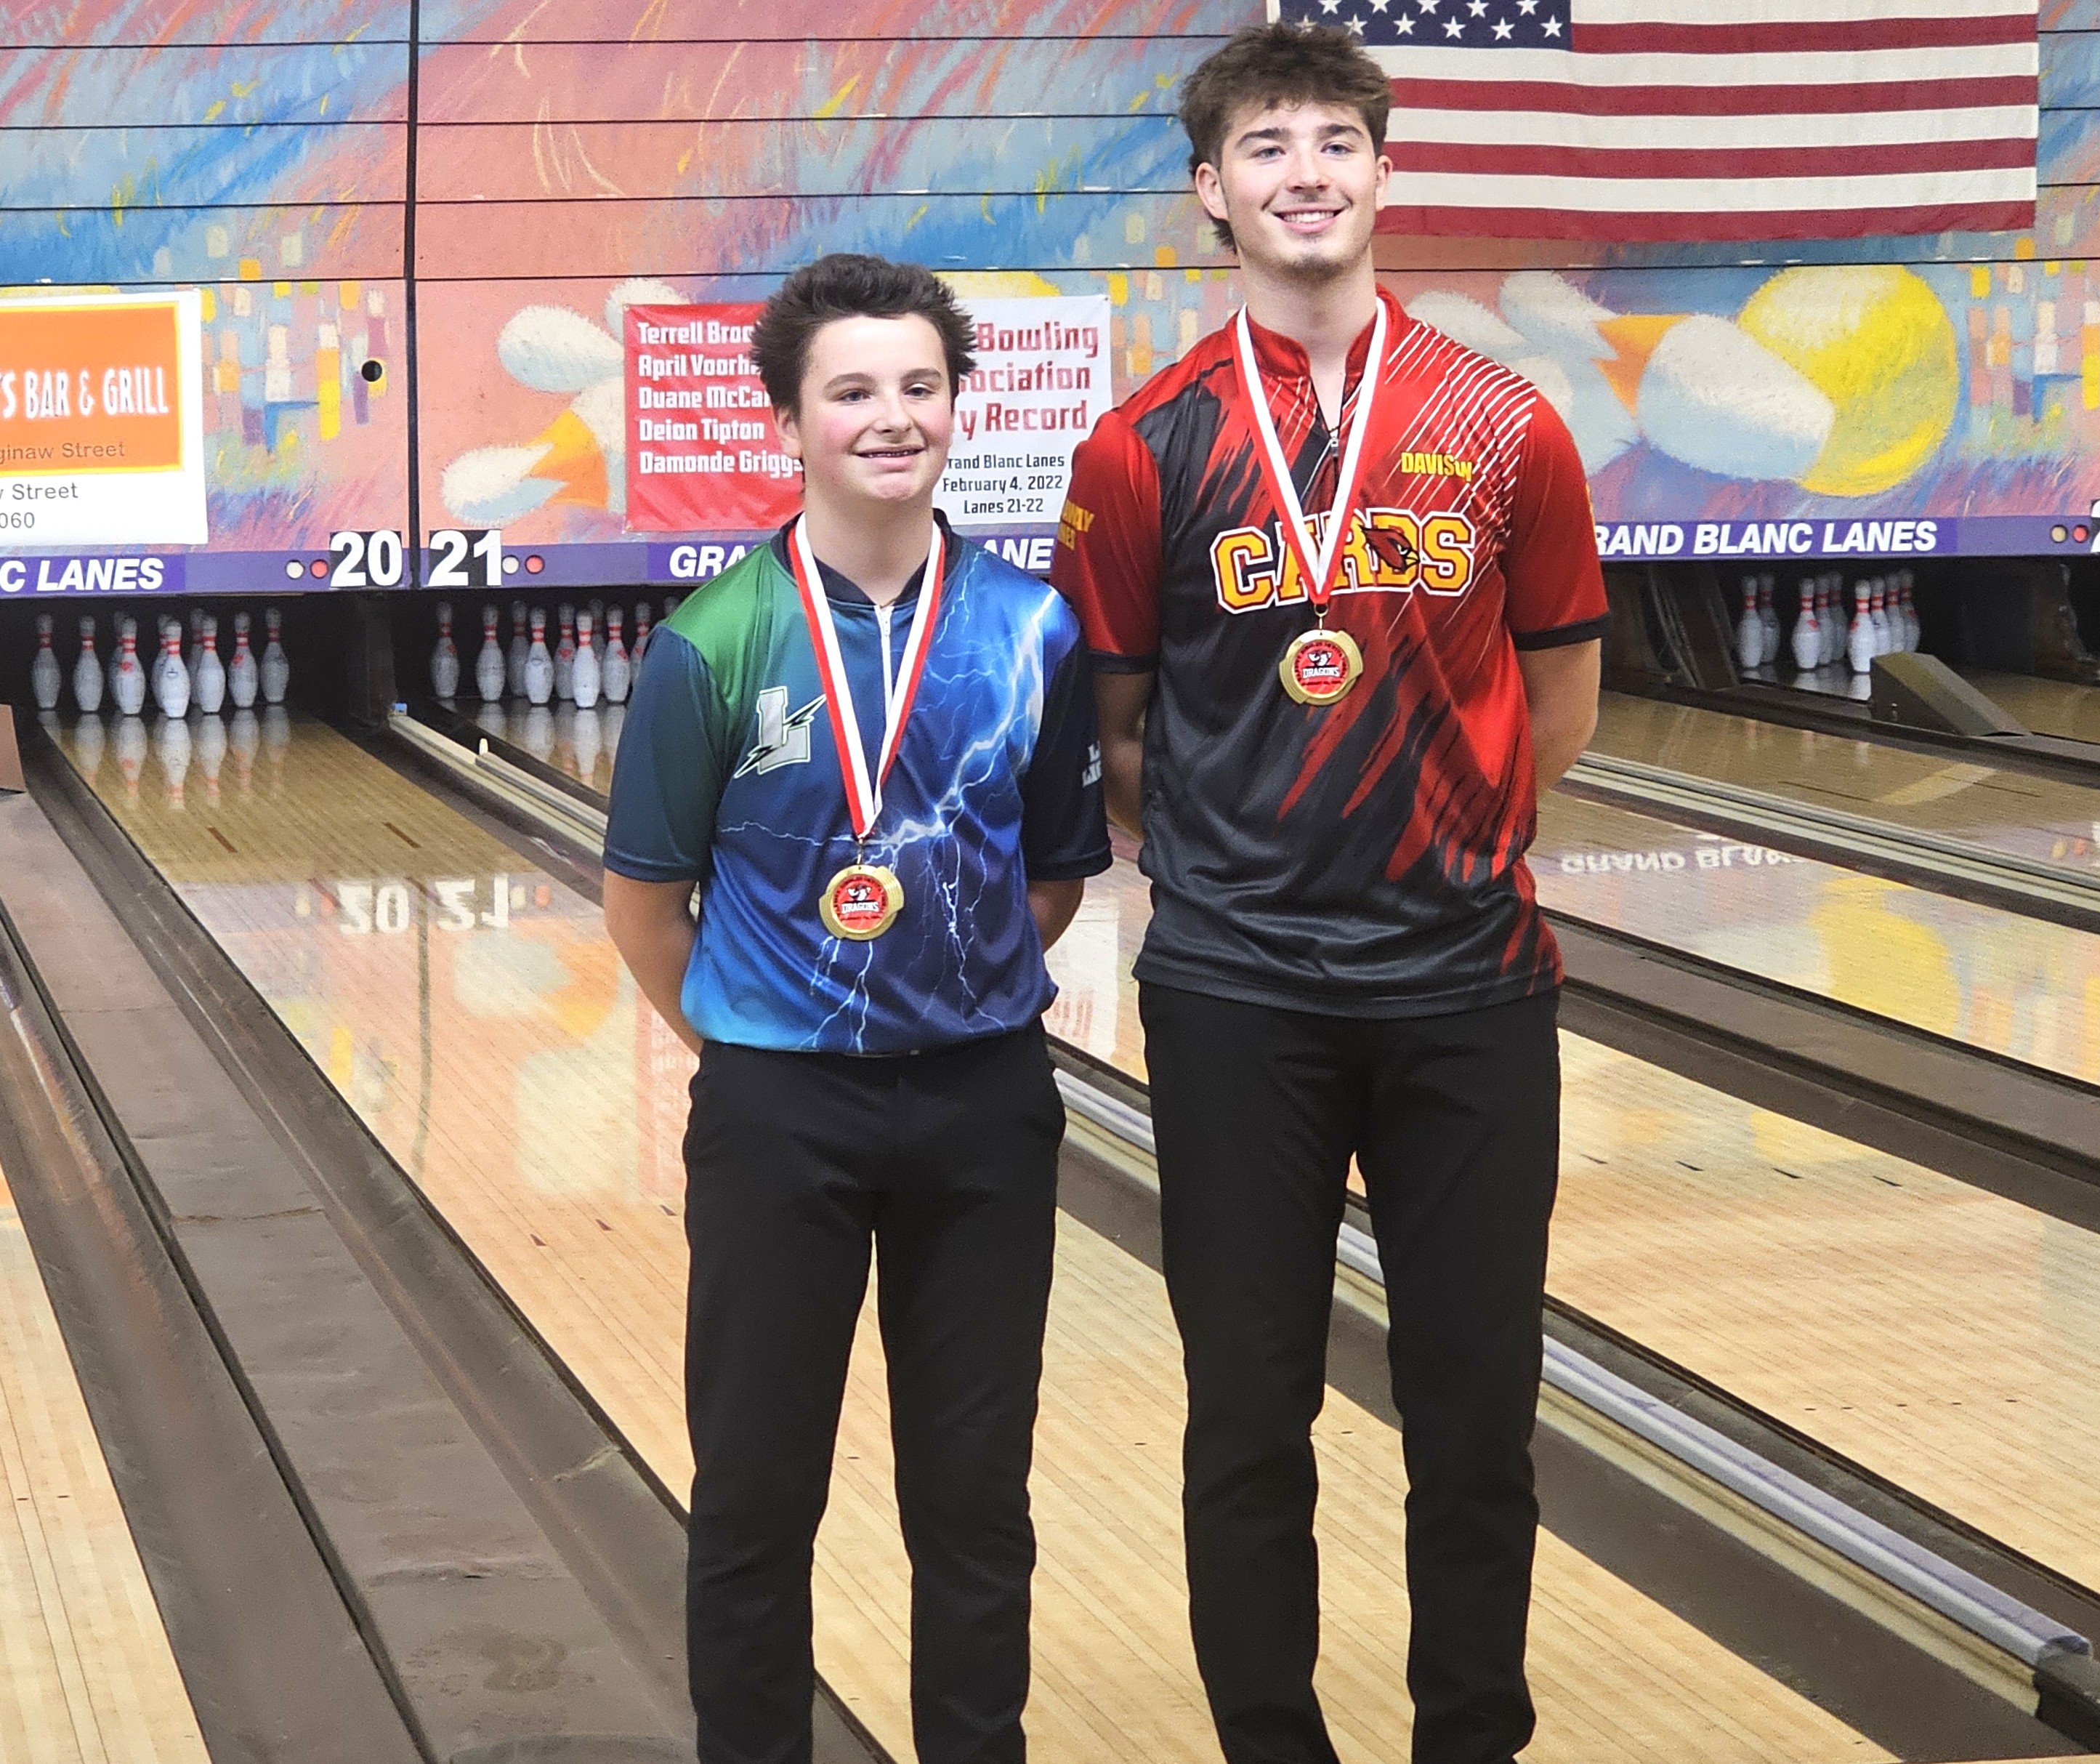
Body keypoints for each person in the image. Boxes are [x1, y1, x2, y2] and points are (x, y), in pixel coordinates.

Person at [1051, 22, 1607, 1764]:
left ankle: (1472, 1739)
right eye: (1268, 143)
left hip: (1471, 985)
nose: (1308, 169)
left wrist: (1433, 836)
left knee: (1476, 1415)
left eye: (1338, 139)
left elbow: (1561, 696)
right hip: (1239, 995)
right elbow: (1120, 725)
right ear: (1211, 189)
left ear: (1382, 168)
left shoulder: (1508, 426)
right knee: (1247, 1415)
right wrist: (1248, 870)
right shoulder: (1144, 444)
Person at [603, 252, 1110, 1764]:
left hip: (982, 1104)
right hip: (778, 1115)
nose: (892, 417)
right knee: (757, 1492)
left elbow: (1056, 876)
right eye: (852, 391)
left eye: (919, 386)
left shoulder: (1032, 627)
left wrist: (942, 993)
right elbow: (645, 903)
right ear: (789, 422)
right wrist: (760, 1044)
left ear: (956, 405)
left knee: (975, 1495)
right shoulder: (714, 638)